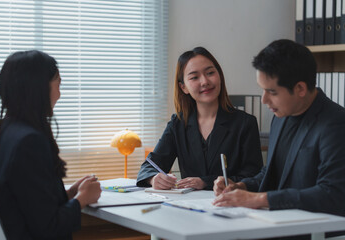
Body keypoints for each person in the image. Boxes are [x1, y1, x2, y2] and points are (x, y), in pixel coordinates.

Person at [213, 39, 345, 237]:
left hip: (314, 232)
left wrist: (258, 200)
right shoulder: (280, 116)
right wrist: (243, 186)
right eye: (262, 89)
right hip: (275, 226)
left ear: (300, 88)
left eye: (272, 92)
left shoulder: (336, 123)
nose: (264, 100)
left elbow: (332, 194)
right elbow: (275, 173)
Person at [0, 50, 101, 240]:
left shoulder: (2, 131)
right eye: (58, 83)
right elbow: (49, 228)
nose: (60, 94)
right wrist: (83, 199)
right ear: (39, 88)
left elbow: (25, 202)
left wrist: (70, 194)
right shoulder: (29, 142)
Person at [137, 47, 263, 190]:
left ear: (219, 75)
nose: (204, 81)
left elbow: (253, 177)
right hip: (189, 206)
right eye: (194, 77)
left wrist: (205, 182)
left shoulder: (245, 123)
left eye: (210, 73)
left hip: (230, 204)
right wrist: (154, 178)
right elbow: (149, 167)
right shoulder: (178, 123)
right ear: (183, 87)